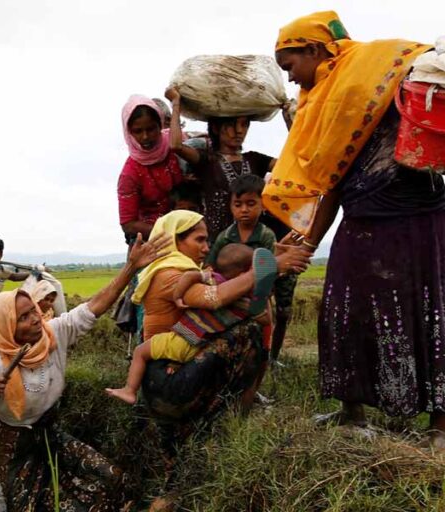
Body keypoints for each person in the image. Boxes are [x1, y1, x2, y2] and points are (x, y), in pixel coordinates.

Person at [264, 12, 441, 444]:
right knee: (343, 311)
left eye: (290, 66)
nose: (290, 80)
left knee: (430, 313)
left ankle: (440, 426)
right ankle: (351, 412)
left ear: (314, 49)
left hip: (417, 218)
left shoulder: (364, 79)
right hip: (363, 218)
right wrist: (307, 241)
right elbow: (333, 185)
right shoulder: (325, 99)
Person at [0, 232, 171, 511]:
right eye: (23, 317)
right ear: (7, 328)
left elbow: (95, 307)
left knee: (112, 479)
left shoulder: (54, 334)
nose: (35, 319)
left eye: (32, 310)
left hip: (48, 431)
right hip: (12, 445)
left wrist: (131, 267)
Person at [129, 211, 308, 460]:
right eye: (199, 240)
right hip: (167, 382)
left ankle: (210, 426)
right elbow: (218, 297)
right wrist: (272, 266)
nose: (206, 248)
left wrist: (271, 261)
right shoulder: (171, 276)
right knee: (249, 331)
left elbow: (235, 280)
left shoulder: (180, 270)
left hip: (165, 373)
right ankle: (226, 421)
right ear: (174, 240)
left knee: (238, 318)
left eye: (207, 241)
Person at [166, 88, 299, 365]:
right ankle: (227, 361)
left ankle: (268, 359)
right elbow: (176, 146)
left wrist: (290, 120)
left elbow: (293, 163)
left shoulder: (256, 160)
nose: (239, 131)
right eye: (232, 125)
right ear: (215, 127)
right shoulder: (208, 161)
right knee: (226, 306)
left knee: (266, 306)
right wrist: (175, 103)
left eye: (244, 125)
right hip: (219, 247)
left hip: (255, 246)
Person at [106, 243, 275, 405]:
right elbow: (266, 319)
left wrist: (179, 295)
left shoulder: (214, 281)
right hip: (203, 347)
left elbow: (188, 276)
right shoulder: (244, 301)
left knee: (140, 351)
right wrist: (261, 293)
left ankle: (129, 390)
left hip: (184, 338)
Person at [206, 175, 298, 367]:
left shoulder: (266, 235)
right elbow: (211, 266)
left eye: (250, 203)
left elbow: (271, 269)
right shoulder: (225, 236)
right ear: (231, 207)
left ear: (263, 205)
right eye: (238, 204)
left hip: (263, 289)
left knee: (276, 318)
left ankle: (272, 357)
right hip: (234, 290)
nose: (244, 210)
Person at [117, 95, 187, 244]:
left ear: (160, 125)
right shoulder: (130, 173)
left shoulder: (178, 145)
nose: (145, 136)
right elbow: (128, 224)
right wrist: (170, 232)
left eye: (151, 129)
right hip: (154, 241)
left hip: (191, 230)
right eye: (138, 131)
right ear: (129, 132)